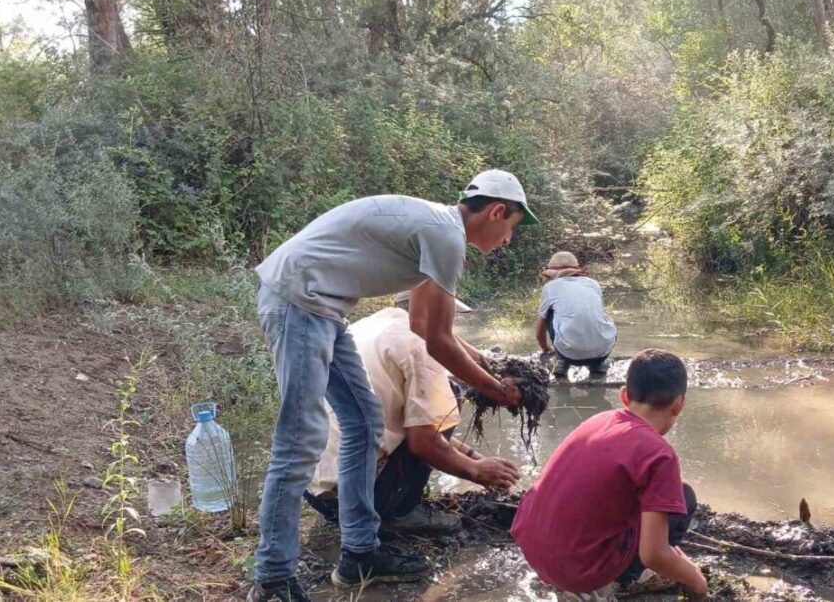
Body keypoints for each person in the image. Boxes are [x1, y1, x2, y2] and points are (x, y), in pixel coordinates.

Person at [247, 170, 538, 602]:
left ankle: (360, 554)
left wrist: (487, 364)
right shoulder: (446, 235)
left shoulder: (435, 230)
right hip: (299, 302)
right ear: (497, 211)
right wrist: (494, 388)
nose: (507, 240)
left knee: (365, 421)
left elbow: (419, 322)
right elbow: (438, 341)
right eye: (511, 227)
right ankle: (273, 577)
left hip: (323, 309)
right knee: (300, 440)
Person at [303, 290, 521, 535]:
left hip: (316, 492)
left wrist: (473, 456)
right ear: (437, 314)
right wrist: (476, 471)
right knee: (450, 392)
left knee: (428, 405)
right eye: (450, 318)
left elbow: (407, 426)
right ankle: (399, 511)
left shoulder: (368, 326)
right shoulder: (420, 346)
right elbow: (423, 442)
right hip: (360, 498)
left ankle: (373, 505)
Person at [511, 348, 708, 601]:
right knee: (684, 497)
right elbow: (653, 555)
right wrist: (696, 580)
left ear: (624, 395)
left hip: (532, 550)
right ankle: (608, 586)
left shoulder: (599, 420)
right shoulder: (660, 455)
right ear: (679, 405)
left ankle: (575, 577)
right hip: (578, 572)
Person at [536, 251, 617, 381]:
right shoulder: (593, 284)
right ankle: (599, 364)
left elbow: (540, 331)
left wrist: (547, 350)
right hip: (603, 351)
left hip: (568, 354)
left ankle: (561, 361)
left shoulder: (550, 287)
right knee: (600, 317)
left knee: (549, 313)